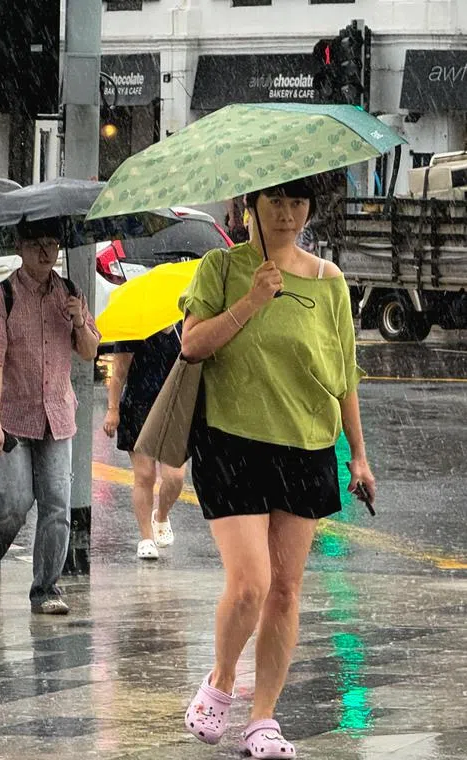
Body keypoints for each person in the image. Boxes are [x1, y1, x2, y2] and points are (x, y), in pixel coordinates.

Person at [178, 178, 375, 757]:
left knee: (285, 592)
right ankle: (220, 679)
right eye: (275, 202)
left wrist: (358, 454)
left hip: (306, 447)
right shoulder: (219, 268)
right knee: (250, 586)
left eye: (297, 203)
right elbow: (193, 344)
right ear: (250, 209)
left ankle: (262, 717)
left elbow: (344, 377)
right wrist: (252, 300)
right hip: (230, 443)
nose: (287, 214)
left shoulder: (329, 282)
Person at [0, 218, 102, 615]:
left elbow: (90, 351)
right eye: (37, 244)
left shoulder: (71, 293)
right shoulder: (1, 297)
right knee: (14, 503)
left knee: (57, 506)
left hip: (57, 416)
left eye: (52, 244)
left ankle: (45, 588)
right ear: (20, 248)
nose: (46, 252)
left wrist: (79, 319)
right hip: (11, 417)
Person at [103, 324, 186, 560]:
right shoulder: (135, 326)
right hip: (138, 407)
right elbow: (119, 373)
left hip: (174, 409)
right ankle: (146, 538)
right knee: (145, 475)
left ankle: (161, 515)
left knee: (176, 476)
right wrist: (113, 409)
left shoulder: (184, 326)